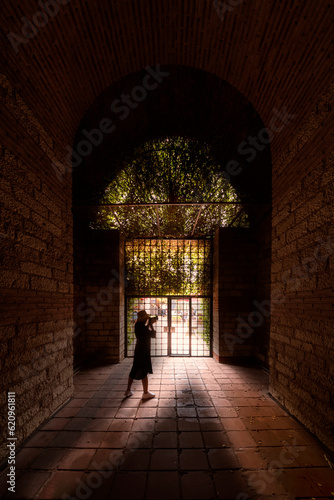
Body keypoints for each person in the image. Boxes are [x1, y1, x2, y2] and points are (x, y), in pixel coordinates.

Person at [124, 310, 157, 399]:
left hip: (138, 349)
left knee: (134, 369)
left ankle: (128, 390)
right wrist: (151, 325)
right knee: (144, 370)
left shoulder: (137, 325)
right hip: (144, 351)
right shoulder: (144, 327)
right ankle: (145, 393)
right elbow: (153, 335)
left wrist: (149, 324)